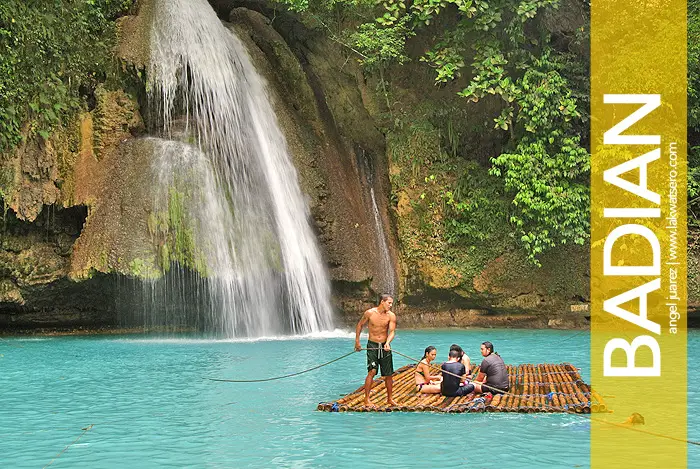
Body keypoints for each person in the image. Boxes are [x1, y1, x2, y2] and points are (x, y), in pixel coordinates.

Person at [354, 294, 398, 407]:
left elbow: (392, 331)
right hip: (372, 345)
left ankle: (390, 398)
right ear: (382, 302)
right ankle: (367, 399)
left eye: (391, 303)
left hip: (384, 345)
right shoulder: (370, 313)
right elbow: (359, 325)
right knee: (372, 371)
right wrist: (357, 342)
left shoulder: (391, 316)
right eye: (389, 303)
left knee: (388, 374)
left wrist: (388, 343)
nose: (390, 305)